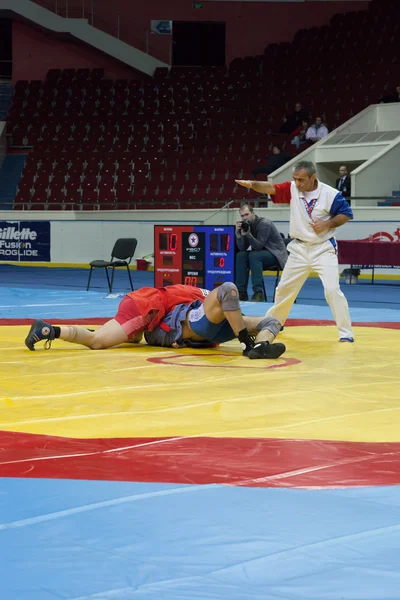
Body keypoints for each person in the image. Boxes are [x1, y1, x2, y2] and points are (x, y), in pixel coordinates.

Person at [235, 160, 355, 342]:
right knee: (283, 289)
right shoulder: (293, 189)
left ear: (313, 177)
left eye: (301, 180)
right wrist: (253, 185)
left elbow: (346, 213)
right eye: (295, 179)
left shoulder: (331, 194)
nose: (297, 183)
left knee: (332, 290)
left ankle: (346, 333)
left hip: (323, 248)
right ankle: (273, 323)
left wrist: (328, 223)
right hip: (299, 248)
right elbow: (271, 188)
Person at [25, 282, 286, 360]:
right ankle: (52, 330)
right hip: (153, 309)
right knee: (99, 341)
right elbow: (226, 293)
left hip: (159, 313)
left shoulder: (208, 302)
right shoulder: (200, 298)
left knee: (271, 321)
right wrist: (243, 339)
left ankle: (260, 348)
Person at [25, 284, 212, 351]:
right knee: (97, 341)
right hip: (145, 308)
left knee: (134, 338)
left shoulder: (199, 293)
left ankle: (103, 332)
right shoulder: (204, 304)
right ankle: (50, 331)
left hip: (138, 298)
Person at [144, 282, 286, 360]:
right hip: (197, 323)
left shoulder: (176, 294)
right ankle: (247, 345)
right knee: (228, 290)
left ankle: (260, 346)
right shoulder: (164, 303)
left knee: (273, 322)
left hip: (214, 326)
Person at [235, 203, 288, 302]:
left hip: (276, 254)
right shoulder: (247, 226)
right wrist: (239, 234)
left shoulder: (264, 224)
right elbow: (242, 248)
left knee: (254, 255)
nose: (245, 218)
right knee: (240, 255)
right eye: (242, 216)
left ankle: (258, 293)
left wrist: (248, 234)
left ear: (253, 213)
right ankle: (241, 292)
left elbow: (258, 246)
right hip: (261, 254)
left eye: (247, 214)